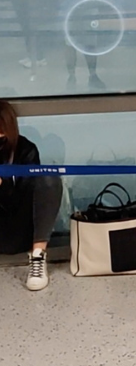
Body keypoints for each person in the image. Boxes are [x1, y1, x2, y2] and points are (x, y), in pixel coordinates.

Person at [0, 101, 62, 290]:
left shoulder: (25, 149)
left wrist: (3, 184)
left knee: (49, 177)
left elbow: (23, 195)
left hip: (19, 225)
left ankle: (38, 255)